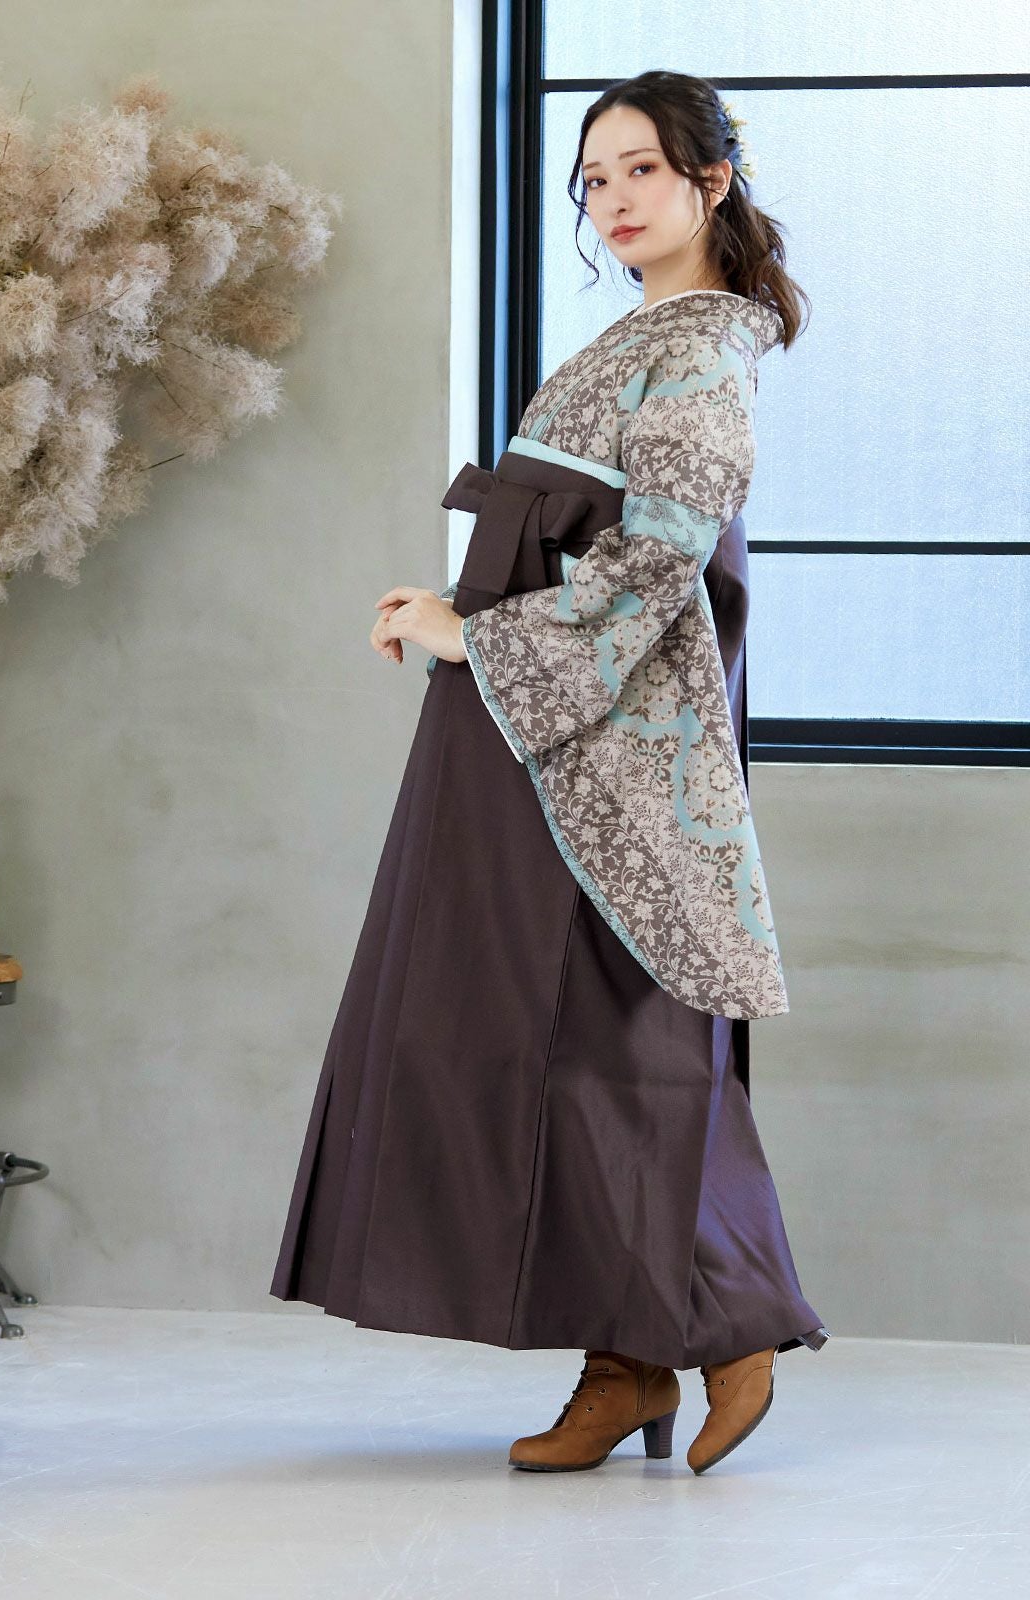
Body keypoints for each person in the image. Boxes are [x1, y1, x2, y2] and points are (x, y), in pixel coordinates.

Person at [268, 70, 830, 1476]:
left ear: (710, 182)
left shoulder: (700, 350)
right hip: (530, 730)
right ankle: (627, 1359)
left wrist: (475, 632)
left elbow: (659, 564)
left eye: (641, 170)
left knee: (616, 1043)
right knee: (543, 1037)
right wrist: (460, 622)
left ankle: (722, 1323)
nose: (612, 199)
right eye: (593, 180)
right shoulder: (642, 335)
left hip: (590, 743)